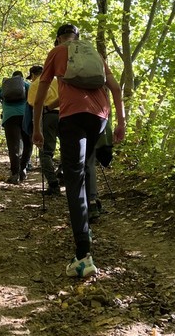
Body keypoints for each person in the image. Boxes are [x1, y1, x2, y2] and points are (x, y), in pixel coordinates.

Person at [33, 24, 126, 278]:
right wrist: (121, 122)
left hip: (72, 116)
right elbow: (116, 89)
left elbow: (40, 94)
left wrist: (36, 128)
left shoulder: (57, 52)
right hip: (100, 117)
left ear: (58, 39)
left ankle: (83, 255)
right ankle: (85, 222)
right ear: (78, 38)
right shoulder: (93, 52)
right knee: (85, 167)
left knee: (74, 177)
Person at [28, 65, 61, 195]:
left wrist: (36, 127)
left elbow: (34, 104)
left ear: (33, 75)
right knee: (69, 149)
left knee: (46, 152)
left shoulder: (36, 84)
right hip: (65, 115)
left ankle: (53, 184)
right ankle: (65, 175)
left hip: (48, 116)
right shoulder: (58, 80)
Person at [0, 71, 32, 184]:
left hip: (9, 118)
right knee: (28, 143)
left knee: (13, 146)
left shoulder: (4, 87)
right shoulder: (26, 85)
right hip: (25, 117)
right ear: (21, 78)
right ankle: (23, 169)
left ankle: (15, 173)